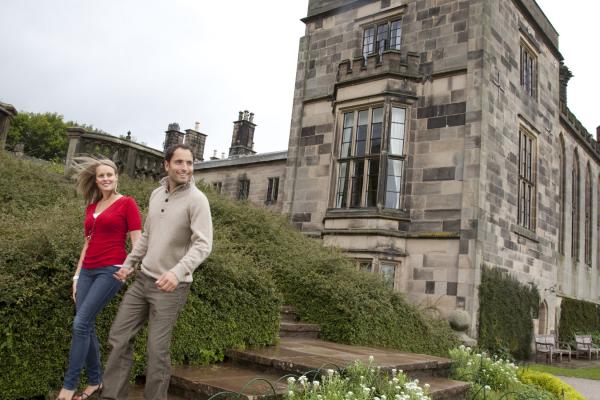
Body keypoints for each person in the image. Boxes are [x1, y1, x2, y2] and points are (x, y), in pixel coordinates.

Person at [100, 144, 213, 400]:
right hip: (142, 281)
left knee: (156, 351)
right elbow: (148, 235)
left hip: (171, 287)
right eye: (179, 162)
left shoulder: (197, 200)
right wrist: (130, 263)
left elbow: (203, 244)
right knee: (119, 338)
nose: (185, 168)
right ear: (167, 165)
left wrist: (177, 272)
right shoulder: (155, 194)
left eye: (189, 163)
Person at [56, 158, 142, 400]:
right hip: (87, 271)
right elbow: (88, 243)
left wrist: (130, 266)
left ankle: (69, 386)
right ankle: (95, 381)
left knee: (80, 323)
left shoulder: (127, 203)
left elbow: (138, 241)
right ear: (96, 180)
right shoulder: (92, 207)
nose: (106, 179)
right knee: (86, 324)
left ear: (117, 177)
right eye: (101, 175)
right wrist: (76, 275)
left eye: (110, 175)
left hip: (111, 270)